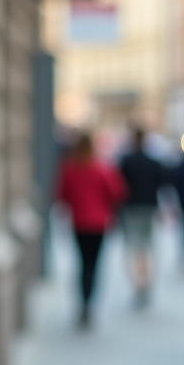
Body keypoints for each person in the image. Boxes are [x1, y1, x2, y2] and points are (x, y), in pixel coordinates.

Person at [56, 131, 127, 327]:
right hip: (99, 224)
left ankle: (83, 303)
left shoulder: (70, 168)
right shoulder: (101, 168)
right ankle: (89, 304)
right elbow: (117, 192)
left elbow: (61, 194)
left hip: (79, 223)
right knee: (94, 265)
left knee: (82, 263)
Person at [118, 127, 166, 306]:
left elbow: (119, 188)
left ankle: (140, 284)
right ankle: (145, 283)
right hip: (149, 208)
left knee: (135, 248)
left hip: (131, 209)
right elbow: (162, 184)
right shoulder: (153, 162)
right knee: (147, 247)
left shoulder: (126, 161)